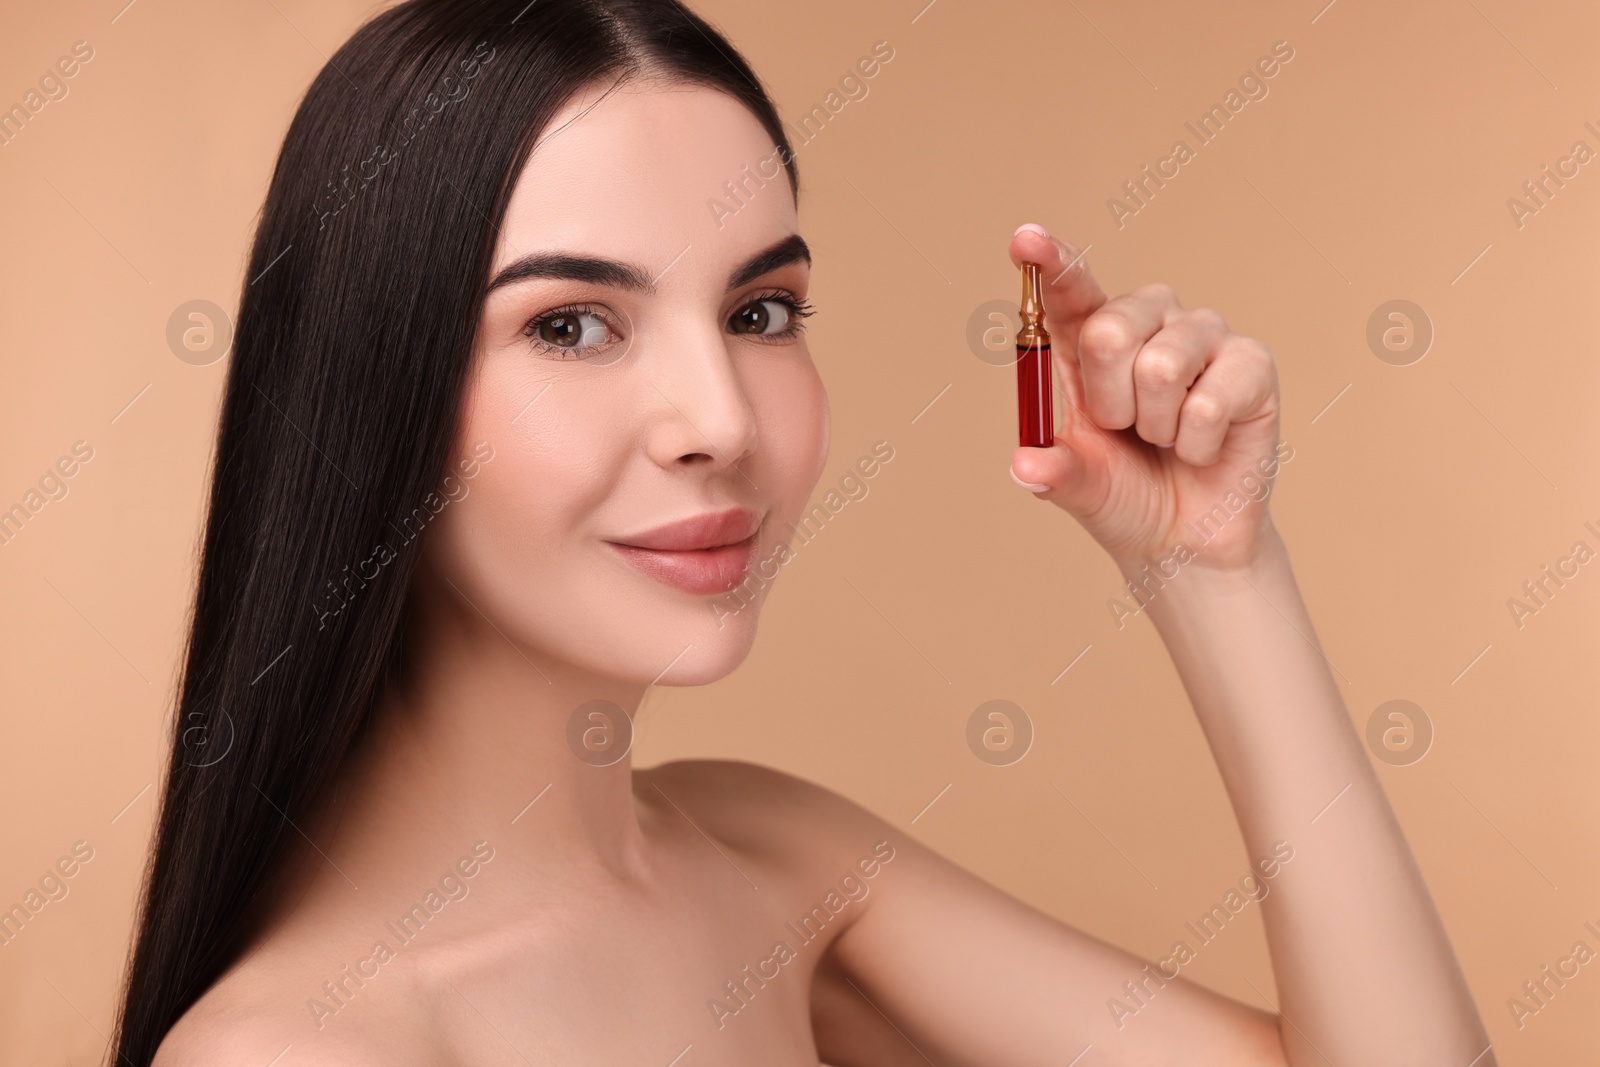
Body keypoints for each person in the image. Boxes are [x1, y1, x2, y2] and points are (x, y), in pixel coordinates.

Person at [115, 1, 1494, 1064]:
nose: (718, 418)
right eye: (572, 324)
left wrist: (1213, 571)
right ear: (369, 386)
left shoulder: (770, 863)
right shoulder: (303, 1049)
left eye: (759, 311)